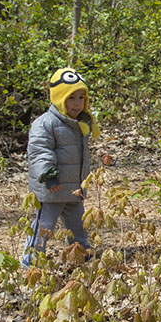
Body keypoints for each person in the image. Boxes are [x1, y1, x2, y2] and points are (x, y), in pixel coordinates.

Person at [21, 67, 100, 268]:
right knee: (44, 226)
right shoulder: (46, 123)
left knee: (78, 226)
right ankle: (31, 260)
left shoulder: (79, 123)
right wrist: (49, 175)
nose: (77, 103)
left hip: (74, 188)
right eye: (71, 98)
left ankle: (81, 254)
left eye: (81, 98)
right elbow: (39, 151)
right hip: (52, 189)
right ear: (58, 98)